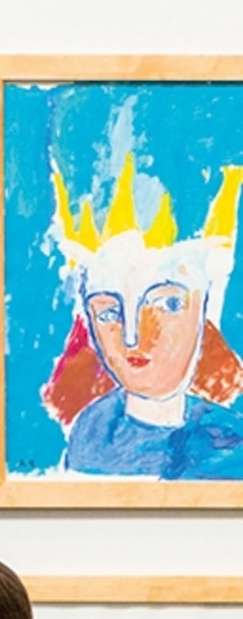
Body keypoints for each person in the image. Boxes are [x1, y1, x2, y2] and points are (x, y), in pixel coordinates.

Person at [45, 150, 243, 478]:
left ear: (205, 307)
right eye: (109, 313)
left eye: (168, 305)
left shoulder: (230, 445)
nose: (133, 336)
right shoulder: (90, 437)